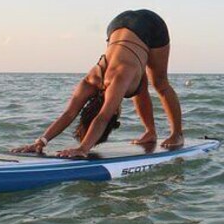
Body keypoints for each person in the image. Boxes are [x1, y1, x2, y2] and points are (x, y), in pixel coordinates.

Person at [12, 9, 184, 158]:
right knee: (138, 82)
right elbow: (69, 113)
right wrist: (41, 142)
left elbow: (103, 117)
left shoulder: (116, 79)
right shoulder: (90, 81)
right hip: (117, 24)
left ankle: (177, 134)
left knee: (159, 83)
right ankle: (150, 132)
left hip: (150, 25)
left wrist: (83, 148)